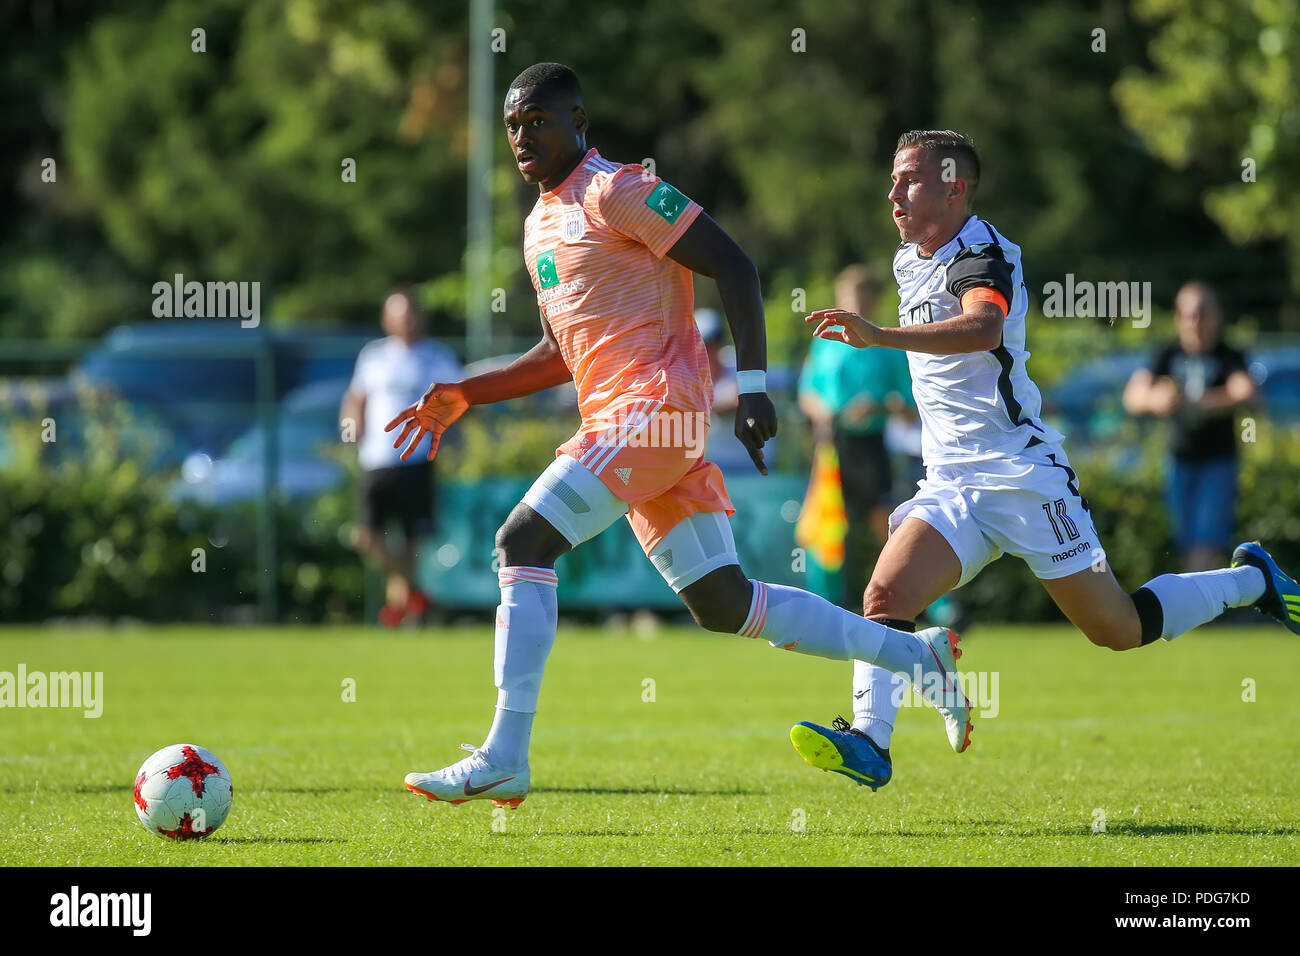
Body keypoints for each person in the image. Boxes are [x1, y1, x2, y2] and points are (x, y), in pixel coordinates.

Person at [386, 64, 971, 808]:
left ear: (578, 120)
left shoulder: (618, 190)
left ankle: (504, 753)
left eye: (540, 121)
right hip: (626, 422)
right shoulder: (540, 222)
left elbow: (734, 263)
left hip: (656, 410)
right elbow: (558, 355)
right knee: (723, 604)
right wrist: (467, 390)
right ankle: (915, 655)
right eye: (514, 126)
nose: (525, 137)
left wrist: (754, 390)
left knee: (521, 543)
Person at [792, 130, 1300, 791]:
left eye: (909, 179)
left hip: (1023, 477)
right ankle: (870, 743)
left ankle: (1253, 582)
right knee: (885, 595)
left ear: (955, 187)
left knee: (1115, 629)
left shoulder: (981, 252)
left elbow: (983, 327)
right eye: (893, 178)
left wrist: (880, 336)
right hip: (951, 482)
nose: (892, 191)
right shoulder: (908, 257)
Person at [340, 290, 462, 627]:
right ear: (386, 319)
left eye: (412, 313)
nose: (407, 319)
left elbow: (458, 399)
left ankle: (398, 612)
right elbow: (355, 399)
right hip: (376, 459)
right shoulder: (374, 355)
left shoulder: (436, 356)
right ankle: (413, 593)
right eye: (399, 313)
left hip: (417, 458)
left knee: (412, 540)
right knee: (366, 535)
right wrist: (351, 426)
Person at [798, 264, 913, 610]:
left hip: (871, 446)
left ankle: (909, 599)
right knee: (831, 526)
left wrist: (876, 408)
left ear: (874, 302)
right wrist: (822, 412)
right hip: (833, 445)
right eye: (850, 299)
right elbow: (807, 393)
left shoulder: (885, 345)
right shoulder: (825, 344)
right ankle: (826, 605)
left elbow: (908, 406)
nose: (857, 306)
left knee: (886, 524)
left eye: (863, 299)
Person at [1123, 282, 1257, 571]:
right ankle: (1208, 604)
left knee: (1206, 540)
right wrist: (1158, 399)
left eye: (1202, 313)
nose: (1195, 322)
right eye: (1188, 314)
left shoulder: (1227, 354)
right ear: (1178, 317)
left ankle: (1201, 606)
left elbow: (1245, 391)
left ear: (1216, 315)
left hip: (1219, 462)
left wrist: (1198, 404)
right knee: (1186, 541)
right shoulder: (1167, 354)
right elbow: (1133, 397)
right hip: (1179, 461)